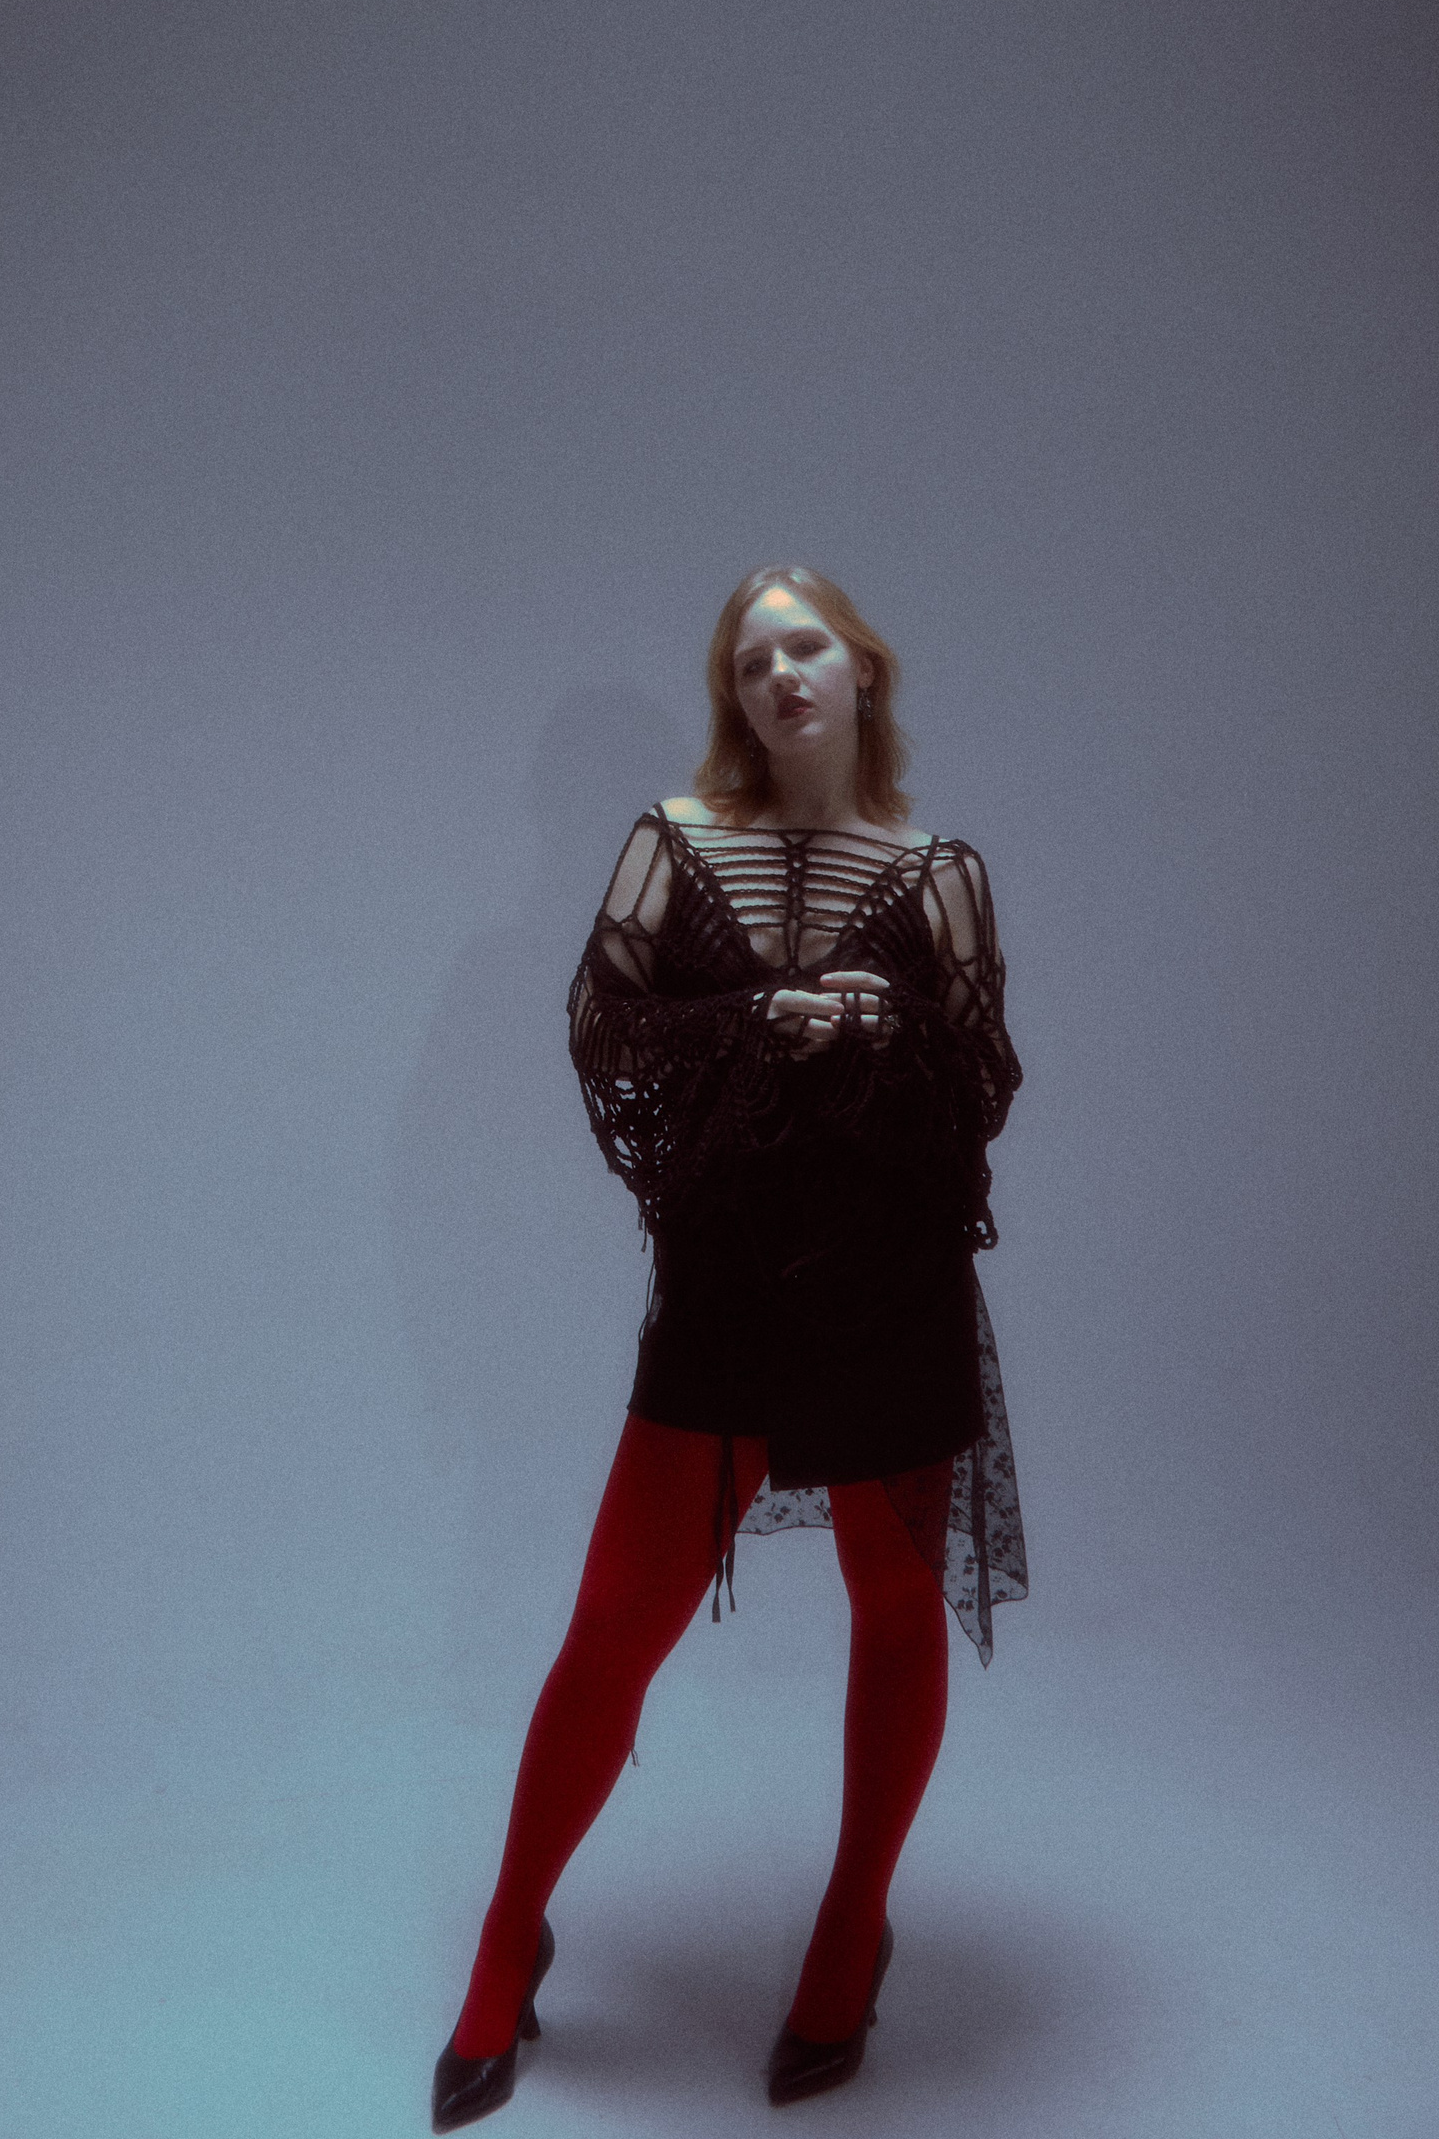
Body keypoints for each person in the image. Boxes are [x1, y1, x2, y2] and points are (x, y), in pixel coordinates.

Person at [430, 565, 1027, 2128]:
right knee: (614, 1625)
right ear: (735, 697)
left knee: (893, 1606)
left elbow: (983, 1091)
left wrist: (889, 1032)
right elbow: (601, 1029)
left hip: (892, 1294)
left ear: (862, 669)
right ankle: (507, 1934)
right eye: (752, 662)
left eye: (805, 646)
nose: (781, 677)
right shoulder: (673, 842)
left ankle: (852, 1927)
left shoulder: (943, 874)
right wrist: (752, 1027)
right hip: (728, 1291)